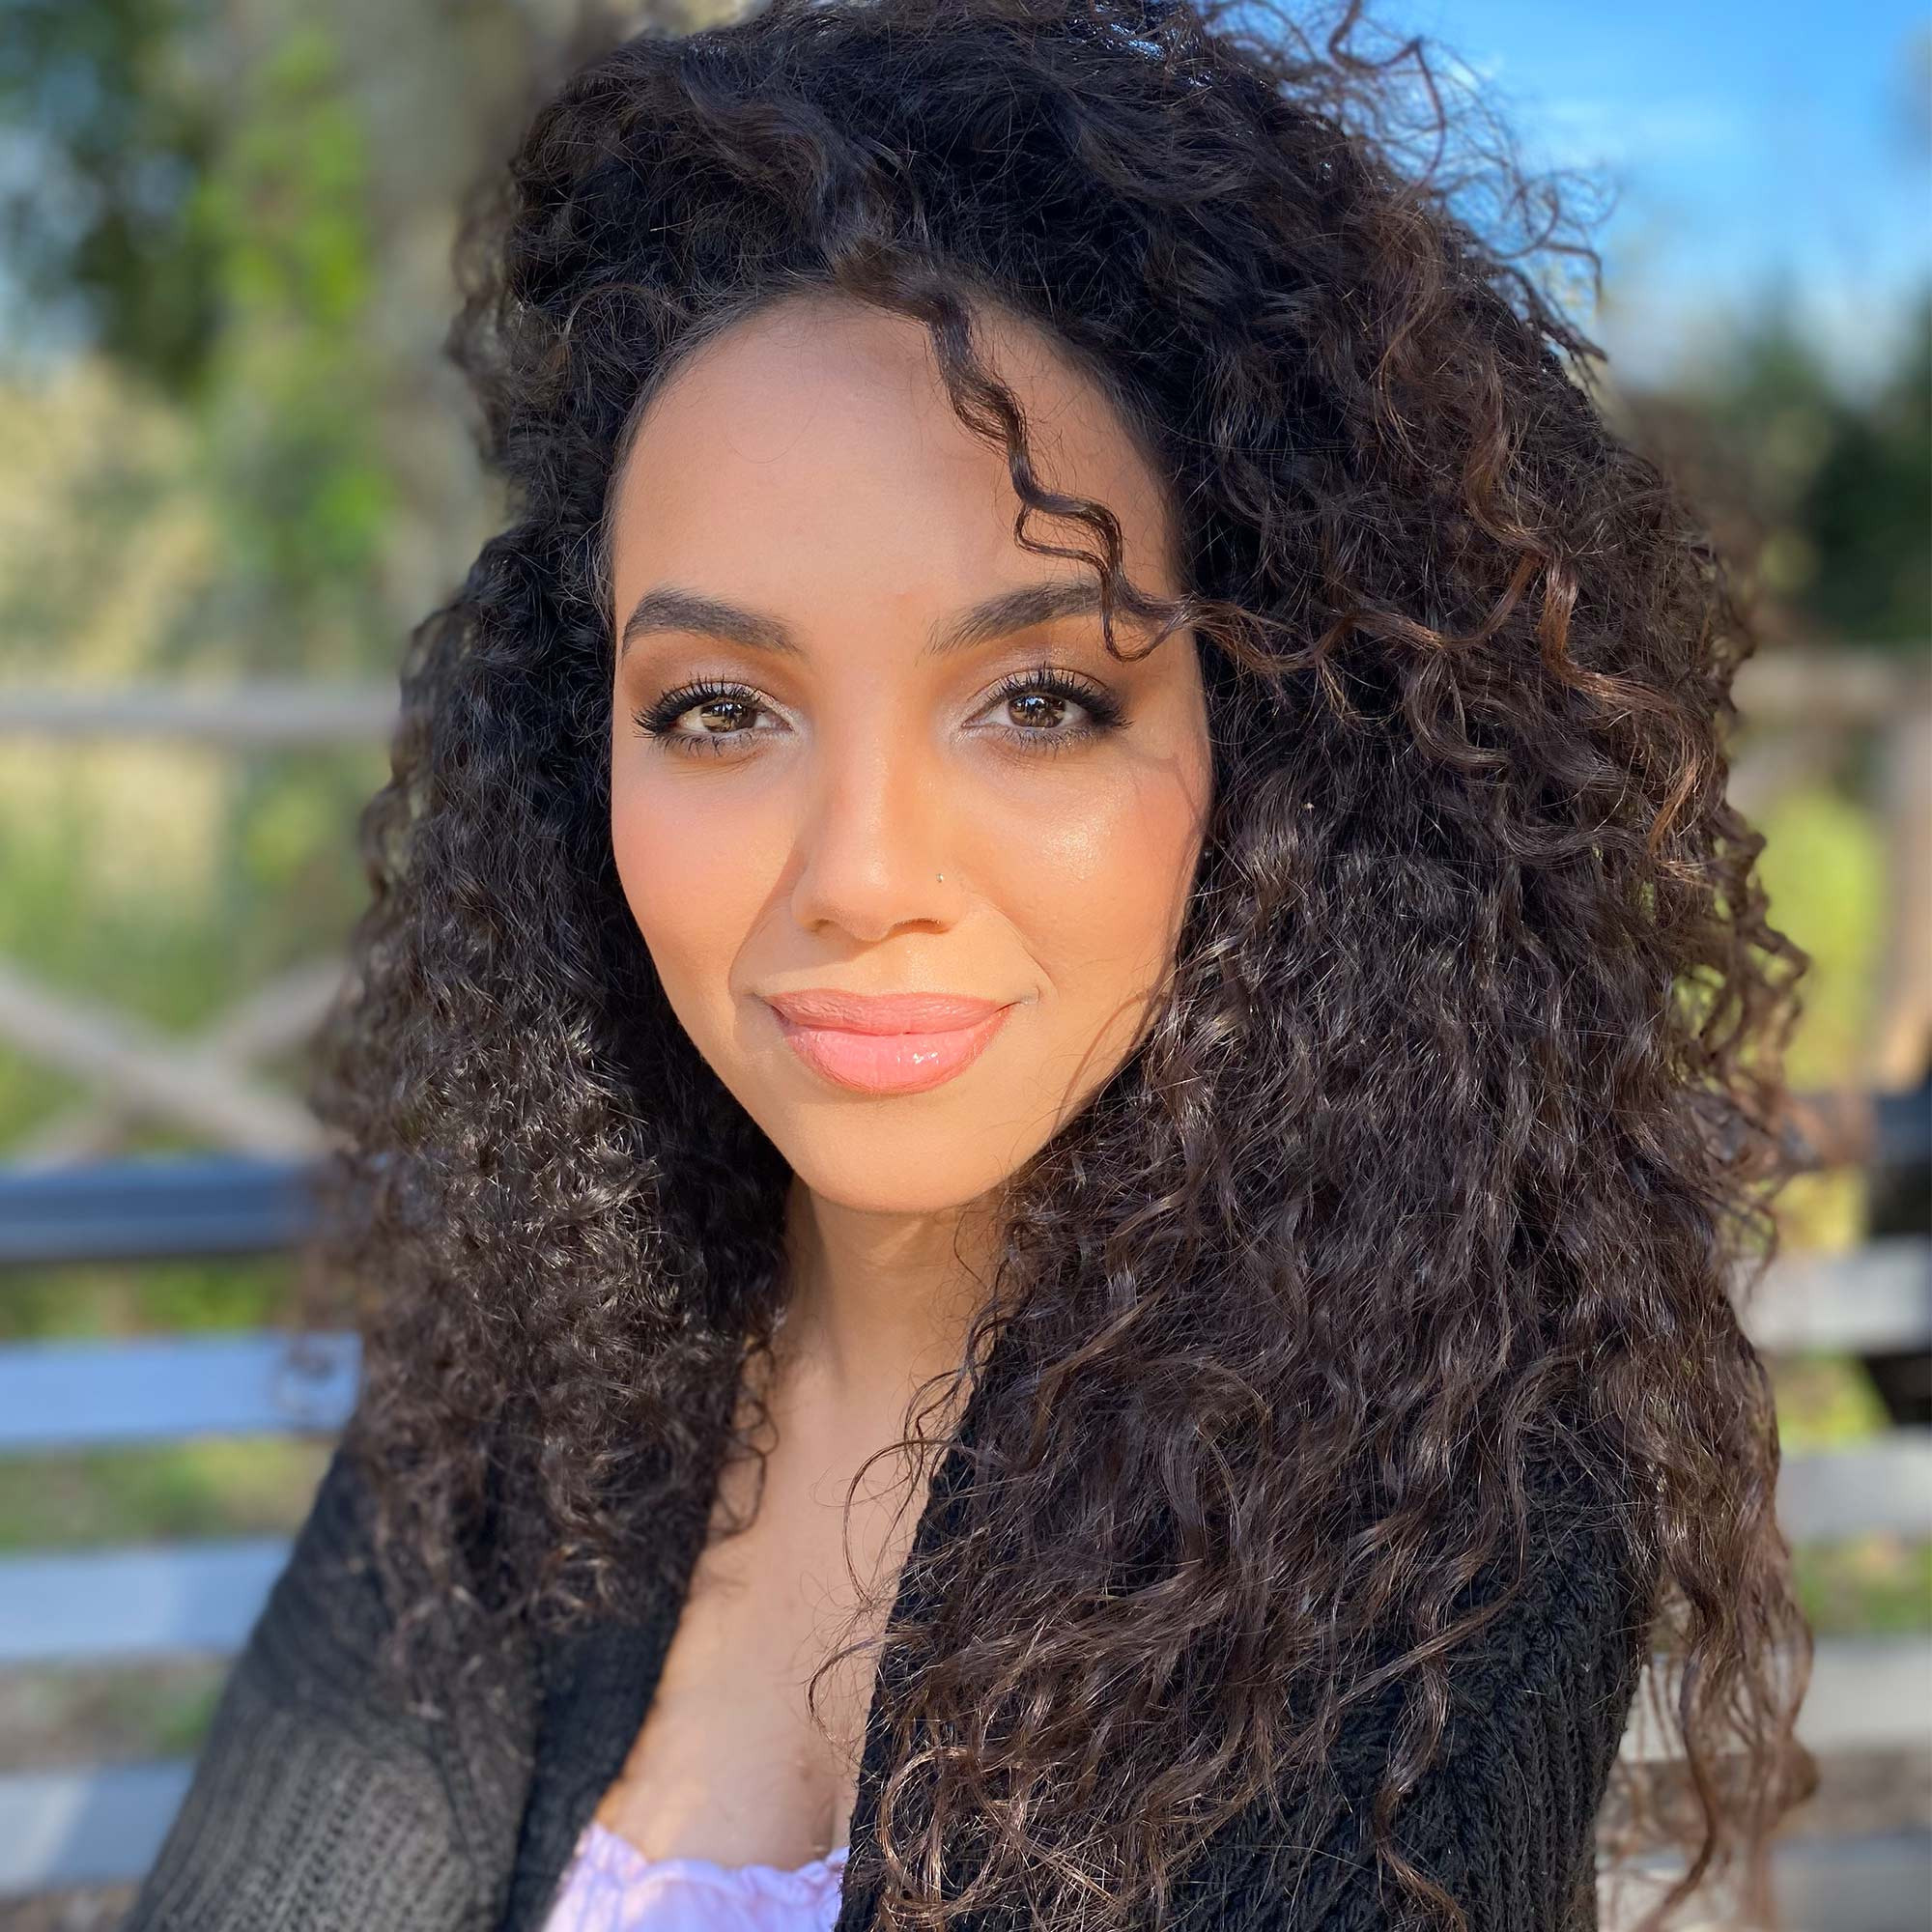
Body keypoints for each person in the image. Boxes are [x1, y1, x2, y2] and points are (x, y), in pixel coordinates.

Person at [119, 0, 1820, 1927]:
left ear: (1274, 753)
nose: (858, 873)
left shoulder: (1440, 1526)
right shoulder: (516, 1400)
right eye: (716, 709)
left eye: (1035, 697)